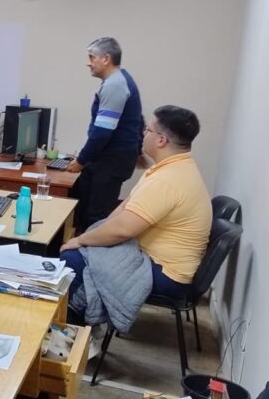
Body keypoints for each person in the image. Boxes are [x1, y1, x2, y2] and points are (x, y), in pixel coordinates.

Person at [60, 105, 212, 327]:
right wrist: (94, 236)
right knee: (89, 248)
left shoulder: (167, 180)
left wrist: (81, 240)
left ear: (161, 140)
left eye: (148, 130)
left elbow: (123, 229)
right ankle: (76, 323)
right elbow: (124, 209)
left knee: (73, 260)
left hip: (167, 274)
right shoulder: (173, 167)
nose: (143, 134)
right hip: (155, 258)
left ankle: (74, 331)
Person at [67, 37, 143, 232]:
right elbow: (138, 120)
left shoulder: (114, 85)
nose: (89, 63)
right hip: (109, 159)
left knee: (95, 215)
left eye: (92, 57)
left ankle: (88, 249)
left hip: (109, 161)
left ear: (106, 59)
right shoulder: (120, 79)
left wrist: (81, 160)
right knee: (82, 203)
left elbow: (102, 132)